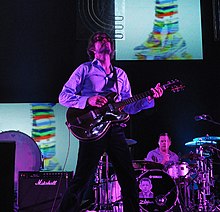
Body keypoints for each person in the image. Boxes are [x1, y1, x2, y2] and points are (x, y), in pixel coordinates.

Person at [58, 31, 164, 212]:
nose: (105, 41)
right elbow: (63, 97)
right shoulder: (84, 70)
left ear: (112, 48)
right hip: (93, 129)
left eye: (107, 39)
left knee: (128, 177)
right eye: (99, 39)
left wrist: (149, 98)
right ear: (92, 48)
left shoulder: (120, 75)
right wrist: (88, 101)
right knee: (83, 179)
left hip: (114, 128)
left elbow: (128, 106)